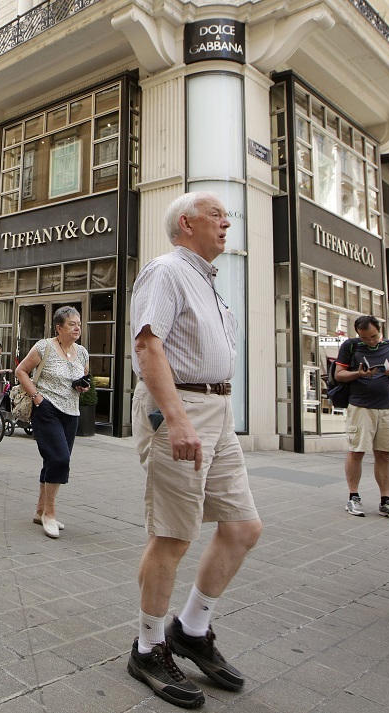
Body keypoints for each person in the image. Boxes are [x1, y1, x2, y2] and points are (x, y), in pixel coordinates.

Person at [127, 192, 262, 708]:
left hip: (218, 412)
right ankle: (148, 646)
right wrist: (179, 419)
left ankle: (191, 628)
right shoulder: (166, 271)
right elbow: (147, 345)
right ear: (186, 223)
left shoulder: (207, 280)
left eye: (229, 216)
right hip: (181, 408)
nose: (227, 223)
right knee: (173, 535)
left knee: (243, 526)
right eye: (216, 215)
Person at [14, 307, 90, 539]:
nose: (77, 327)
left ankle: (39, 511)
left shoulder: (82, 352)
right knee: (60, 459)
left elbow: (85, 376)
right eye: (72, 324)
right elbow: (21, 371)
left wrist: (82, 386)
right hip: (47, 409)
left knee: (52, 460)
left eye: (78, 323)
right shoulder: (44, 347)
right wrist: (37, 397)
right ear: (59, 328)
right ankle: (50, 514)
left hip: (71, 412)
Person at [334, 315, 389, 521]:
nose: (371, 341)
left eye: (374, 336)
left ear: (380, 330)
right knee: (356, 451)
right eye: (365, 338)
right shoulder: (351, 346)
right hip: (360, 406)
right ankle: (353, 496)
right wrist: (358, 374)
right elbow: (338, 375)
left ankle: (386, 500)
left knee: (384, 453)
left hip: (387, 407)